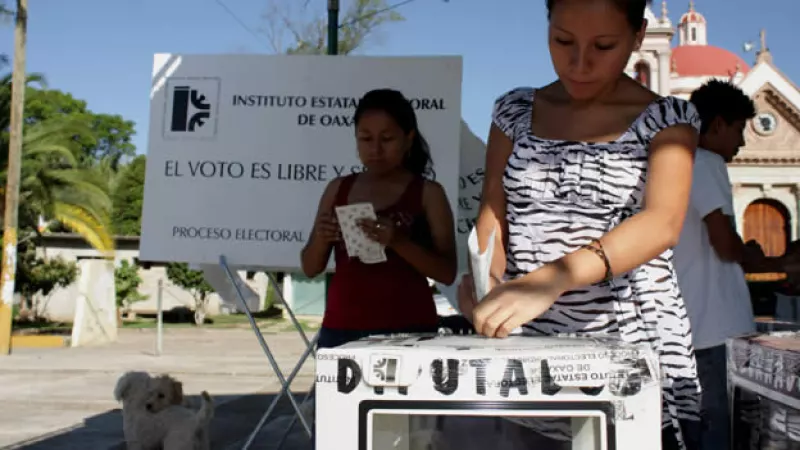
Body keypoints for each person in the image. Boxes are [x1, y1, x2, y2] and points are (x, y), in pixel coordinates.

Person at [457, 0, 703, 448]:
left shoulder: (669, 118)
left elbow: (662, 222)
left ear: (637, 36)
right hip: (529, 345)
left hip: (630, 342)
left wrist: (551, 280)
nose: (580, 63)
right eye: (563, 41)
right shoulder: (513, 111)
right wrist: (486, 278)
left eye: (604, 46)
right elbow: (494, 208)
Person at [673, 79, 796, 450]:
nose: (742, 143)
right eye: (739, 130)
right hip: (713, 333)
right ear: (717, 125)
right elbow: (725, 244)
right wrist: (757, 257)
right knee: (718, 436)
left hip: (695, 329)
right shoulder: (705, 161)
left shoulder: (678, 164)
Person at [301, 88, 458, 349]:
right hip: (342, 328)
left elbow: (446, 272)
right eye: (365, 138)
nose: (375, 149)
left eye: (387, 139)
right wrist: (321, 237)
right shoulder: (338, 189)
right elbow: (310, 267)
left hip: (410, 331)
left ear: (408, 139)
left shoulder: (428, 193)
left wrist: (398, 241)